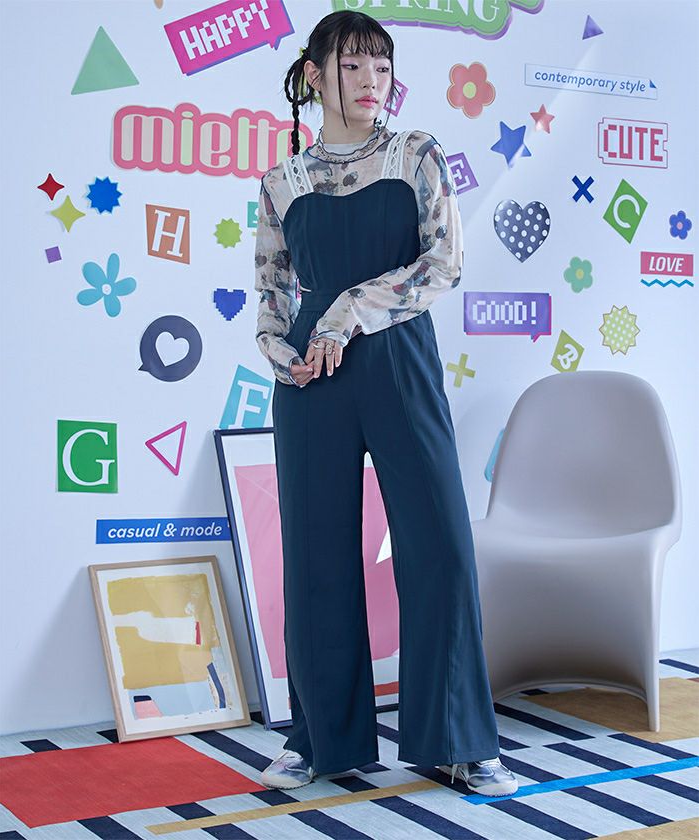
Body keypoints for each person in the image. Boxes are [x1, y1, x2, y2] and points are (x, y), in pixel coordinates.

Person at [253, 10, 518, 798]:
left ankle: (460, 741)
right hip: (312, 380)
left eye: (382, 66)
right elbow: (271, 293)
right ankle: (321, 740)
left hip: (400, 364)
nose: (373, 82)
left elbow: (444, 263)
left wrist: (347, 311)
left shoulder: (415, 154)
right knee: (317, 559)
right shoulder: (283, 182)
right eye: (353, 66)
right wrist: (280, 351)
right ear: (314, 76)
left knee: (440, 545)